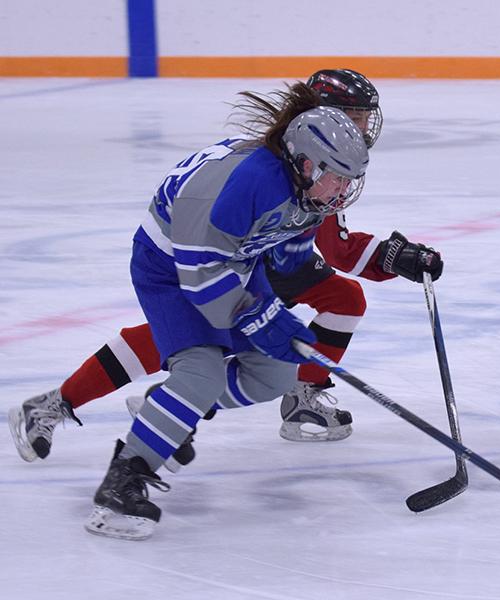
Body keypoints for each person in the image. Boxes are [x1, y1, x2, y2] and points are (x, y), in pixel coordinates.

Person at [8, 71, 444, 471]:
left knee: (342, 299)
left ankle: (298, 397)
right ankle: (62, 403)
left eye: (366, 119)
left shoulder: (327, 168)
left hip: (276, 260)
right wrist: (388, 257)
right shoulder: (297, 168)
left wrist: (392, 256)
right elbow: (334, 248)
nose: (363, 130)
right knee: (177, 342)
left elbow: (328, 244)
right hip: (239, 258)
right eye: (355, 117)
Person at [80, 79, 373, 540]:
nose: (343, 189)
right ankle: (124, 479)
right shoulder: (244, 186)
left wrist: (278, 314)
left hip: (234, 258)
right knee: (202, 374)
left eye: (349, 178)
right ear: (305, 163)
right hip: (169, 265)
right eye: (337, 175)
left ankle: (170, 409)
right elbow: (199, 272)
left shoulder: (310, 192)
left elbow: (288, 258)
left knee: (276, 373)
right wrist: (255, 314)